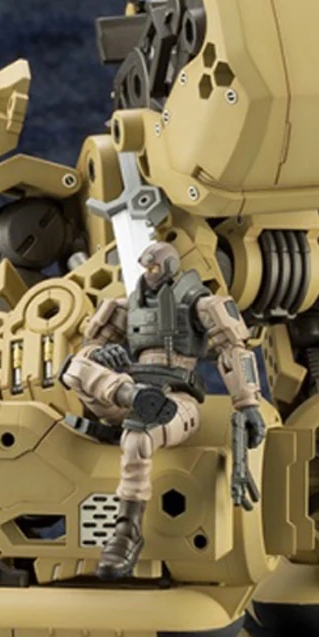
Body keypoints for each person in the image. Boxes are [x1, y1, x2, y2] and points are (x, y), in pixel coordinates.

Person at [60, 241, 266, 579]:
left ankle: (127, 532)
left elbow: (234, 350)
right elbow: (89, 350)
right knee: (73, 368)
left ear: (170, 267)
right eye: (146, 266)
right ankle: (134, 396)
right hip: (126, 393)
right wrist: (100, 357)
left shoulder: (201, 304)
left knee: (138, 438)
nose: (149, 272)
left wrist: (247, 403)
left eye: (155, 267)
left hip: (176, 402)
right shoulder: (125, 306)